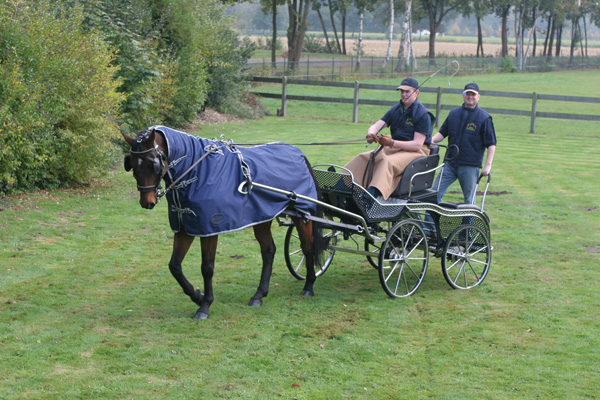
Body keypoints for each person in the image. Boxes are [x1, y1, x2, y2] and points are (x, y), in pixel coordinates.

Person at [344, 77, 434, 200]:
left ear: (416, 93)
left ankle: (369, 197)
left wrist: (391, 142)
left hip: (417, 151)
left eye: (408, 91)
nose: (404, 94)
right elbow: (377, 125)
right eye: (402, 91)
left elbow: (417, 145)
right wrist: (371, 133)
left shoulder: (423, 114)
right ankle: (343, 186)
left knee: (387, 161)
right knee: (365, 156)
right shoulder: (396, 109)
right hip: (396, 147)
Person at [432, 82, 497, 205]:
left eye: (473, 94)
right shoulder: (453, 113)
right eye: (467, 94)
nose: (470, 97)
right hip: (450, 164)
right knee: (433, 194)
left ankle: (469, 225)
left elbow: (491, 144)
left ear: (478, 96)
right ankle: (429, 225)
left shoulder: (484, 118)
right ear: (463, 95)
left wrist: (488, 165)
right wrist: (431, 140)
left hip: (470, 166)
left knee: (469, 201)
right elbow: (442, 133)